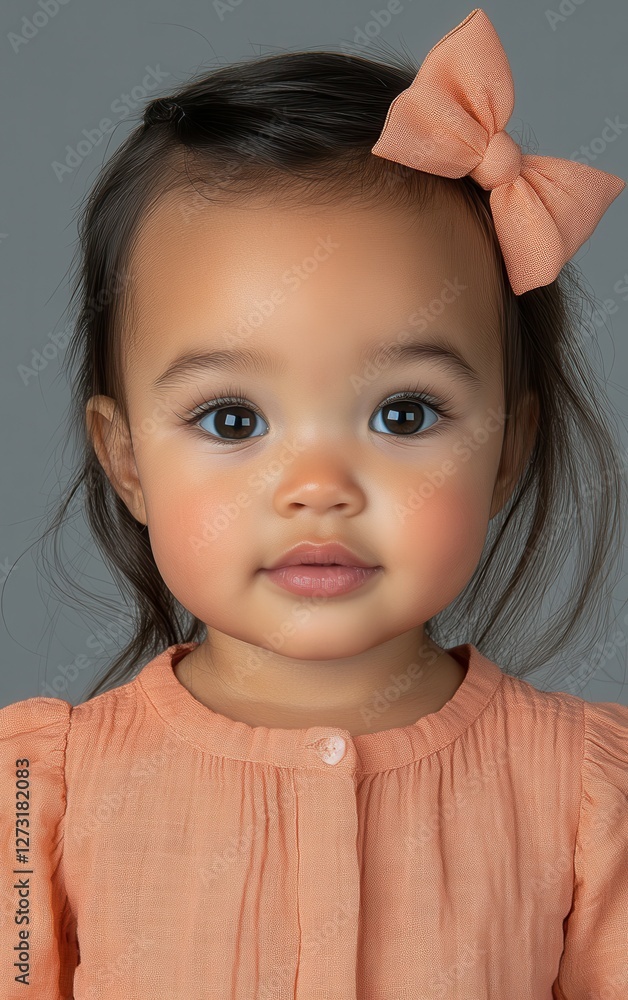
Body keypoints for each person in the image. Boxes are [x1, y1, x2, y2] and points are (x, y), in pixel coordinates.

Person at [1, 8, 627, 997]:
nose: (319, 488)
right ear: (127, 463)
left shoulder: (588, 796)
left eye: (403, 414)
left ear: (507, 448)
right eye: (232, 420)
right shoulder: (36, 797)